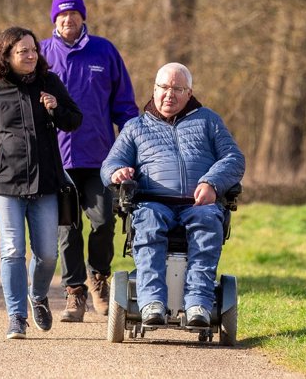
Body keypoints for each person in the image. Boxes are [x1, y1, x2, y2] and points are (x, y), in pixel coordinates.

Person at [0, 26, 83, 340]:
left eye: (34, 50)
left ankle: (37, 296)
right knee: (12, 251)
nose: (31, 56)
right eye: (23, 51)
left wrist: (56, 108)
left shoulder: (50, 82)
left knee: (48, 253)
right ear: (6, 55)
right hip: (5, 184)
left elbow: (74, 120)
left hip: (46, 183)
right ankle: (16, 318)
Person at [100, 62, 245, 328]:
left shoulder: (208, 121)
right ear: (154, 89)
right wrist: (117, 173)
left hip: (199, 204)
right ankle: (152, 302)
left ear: (189, 93)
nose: (170, 94)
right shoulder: (135, 127)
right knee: (149, 224)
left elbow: (234, 158)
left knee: (206, 224)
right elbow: (110, 164)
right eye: (164, 87)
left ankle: (198, 303)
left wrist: (212, 183)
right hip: (152, 203)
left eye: (178, 88)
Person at [41, 0, 138, 319]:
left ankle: (99, 278)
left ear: (83, 17)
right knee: (66, 230)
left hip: (99, 158)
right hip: (58, 161)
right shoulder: (41, 54)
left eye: (73, 14)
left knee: (102, 220)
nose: (68, 19)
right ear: (55, 19)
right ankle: (74, 292)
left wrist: (134, 143)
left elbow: (124, 105)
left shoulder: (104, 51)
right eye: (61, 15)